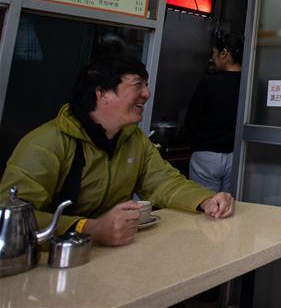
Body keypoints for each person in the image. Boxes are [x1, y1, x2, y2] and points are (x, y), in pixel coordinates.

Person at [0, 54, 234, 247]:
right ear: (102, 93)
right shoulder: (46, 143)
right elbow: (10, 215)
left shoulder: (133, 139)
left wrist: (204, 200)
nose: (147, 93)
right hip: (47, 262)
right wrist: (87, 227)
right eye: (138, 85)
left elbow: (163, 182)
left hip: (105, 257)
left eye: (146, 85)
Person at [185, 31, 243, 193]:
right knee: (227, 203)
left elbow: (191, 120)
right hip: (237, 156)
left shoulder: (210, 82)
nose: (212, 58)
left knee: (204, 201)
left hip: (207, 155)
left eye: (214, 53)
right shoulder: (250, 83)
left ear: (224, 53)